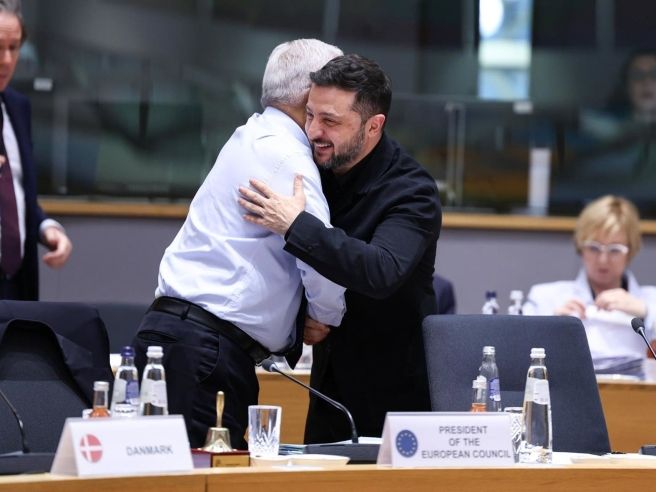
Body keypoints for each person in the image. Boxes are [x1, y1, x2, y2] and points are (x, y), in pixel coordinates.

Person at [131, 39, 345, 449]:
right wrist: (323, 315)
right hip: (205, 352)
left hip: (171, 336)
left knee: (153, 471)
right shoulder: (290, 160)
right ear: (311, 95)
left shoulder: (249, 136)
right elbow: (322, 257)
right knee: (201, 475)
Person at [238, 54, 442, 443]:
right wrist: (302, 314)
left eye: (330, 121)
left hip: (396, 396)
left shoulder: (411, 190)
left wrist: (295, 224)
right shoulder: (312, 168)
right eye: (310, 115)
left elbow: (381, 270)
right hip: (329, 391)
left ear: (373, 125)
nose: (314, 130)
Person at [524, 195, 656, 377]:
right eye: (594, 248)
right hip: (571, 391)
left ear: (630, 251)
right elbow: (517, 355)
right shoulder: (546, 297)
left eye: (615, 250)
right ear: (580, 248)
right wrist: (552, 328)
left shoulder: (651, 300)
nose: (603, 260)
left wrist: (647, 313)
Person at [0, 0, 72, 300]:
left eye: (14, 47)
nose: (6, 60)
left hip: (17, 285)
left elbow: (17, 194)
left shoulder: (18, 108)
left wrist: (45, 228)